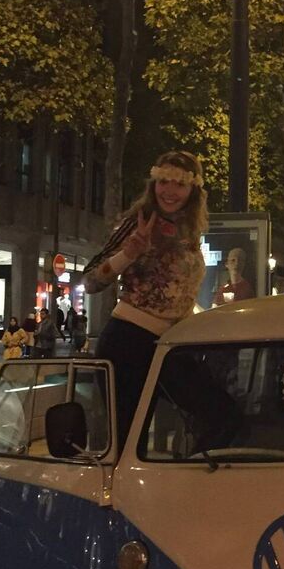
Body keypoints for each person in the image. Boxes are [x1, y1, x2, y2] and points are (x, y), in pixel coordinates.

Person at [83, 151, 208, 446]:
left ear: (193, 189)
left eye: (179, 184)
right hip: (129, 341)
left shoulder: (190, 230)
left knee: (217, 412)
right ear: (153, 183)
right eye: (163, 181)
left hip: (172, 346)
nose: (169, 191)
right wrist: (129, 254)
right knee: (124, 441)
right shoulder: (138, 222)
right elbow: (90, 281)